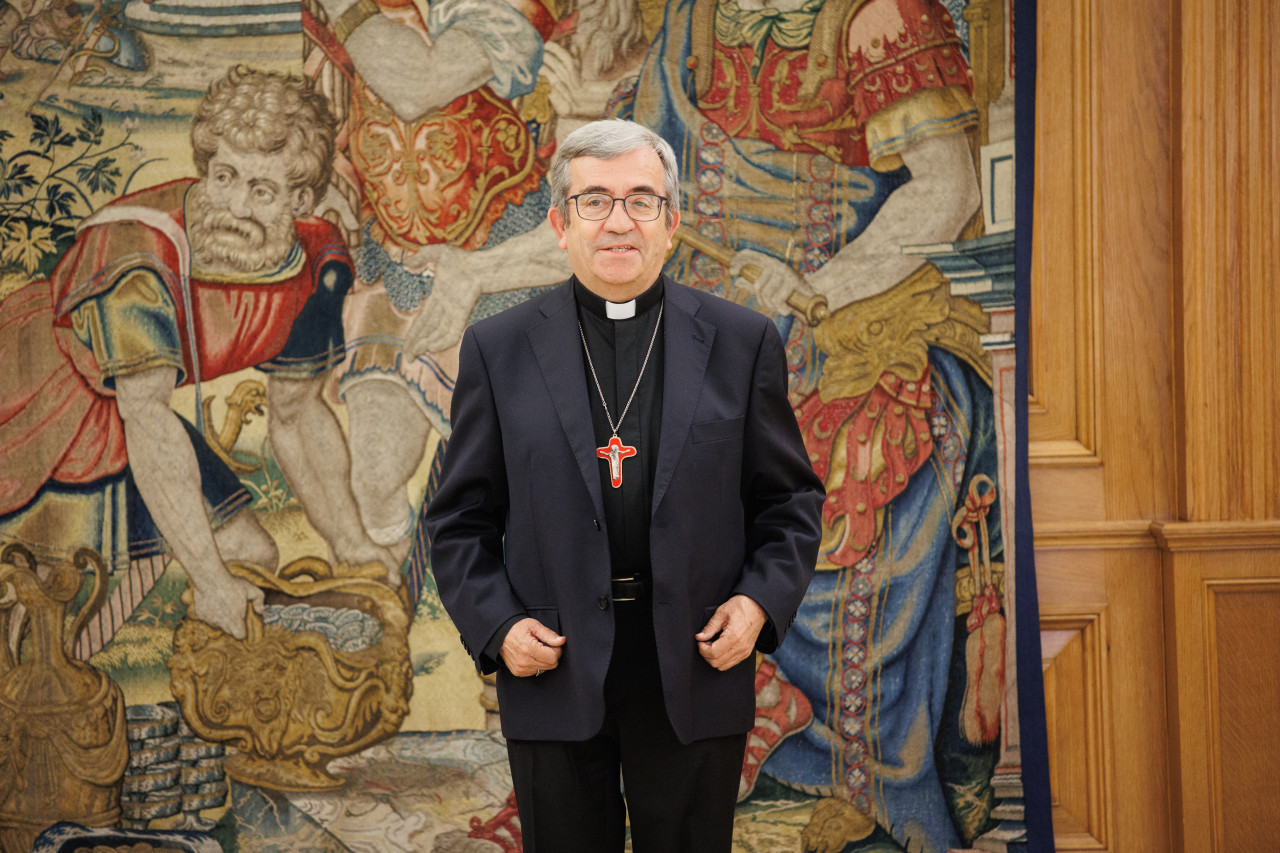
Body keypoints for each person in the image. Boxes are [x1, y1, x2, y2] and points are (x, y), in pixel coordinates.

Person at [611, 1, 1007, 851]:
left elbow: (950, 187)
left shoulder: (876, 18)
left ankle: (853, 780)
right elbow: (627, 189)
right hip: (711, 331)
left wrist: (810, 285)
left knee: (853, 470)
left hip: (849, 320)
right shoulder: (692, 23)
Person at [423, 118, 825, 852]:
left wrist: (757, 602)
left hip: (696, 658)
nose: (618, 221)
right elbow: (456, 520)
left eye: (642, 200)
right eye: (595, 201)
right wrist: (499, 624)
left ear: (671, 224)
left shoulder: (742, 343)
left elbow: (790, 502)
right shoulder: (499, 349)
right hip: (554, 660)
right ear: (559, 222)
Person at [0, 65, 396, 651]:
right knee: (57, 608)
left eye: (261, 190)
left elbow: (297, 414)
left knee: (252, 555)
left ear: (302, 198)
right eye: (223, 176)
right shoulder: (138, 254)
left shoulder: (314, 265)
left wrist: (352, 544)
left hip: (126, 407)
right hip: (43, 399)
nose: (234, 205)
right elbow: (147, 417)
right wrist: (210, 583)